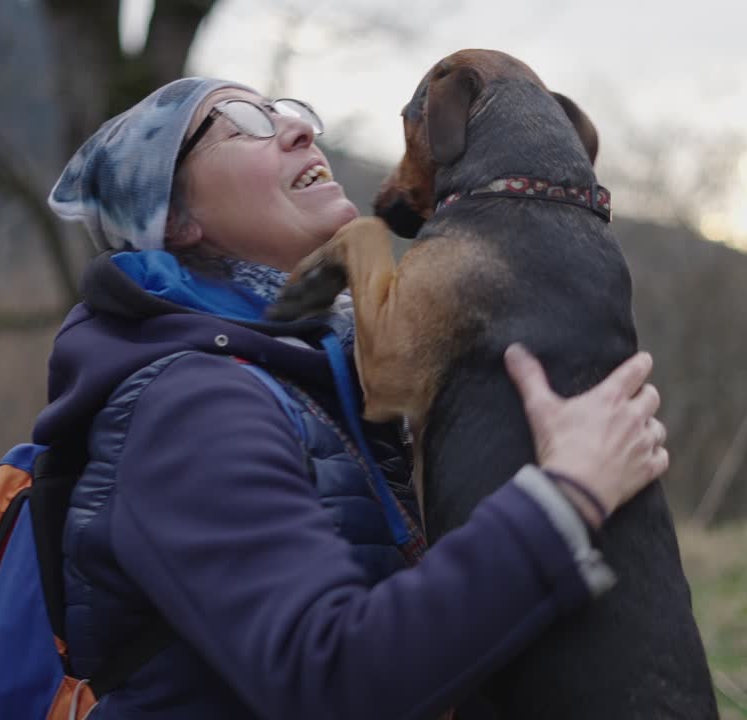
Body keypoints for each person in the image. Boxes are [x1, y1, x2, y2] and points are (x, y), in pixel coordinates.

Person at [41, 77, 670, 719]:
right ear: (173, 219)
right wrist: (566, 499)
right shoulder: (190, 408)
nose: (298, 127)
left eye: (283, 109)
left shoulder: (328, 373)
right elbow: (330, 681)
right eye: (240, 121)